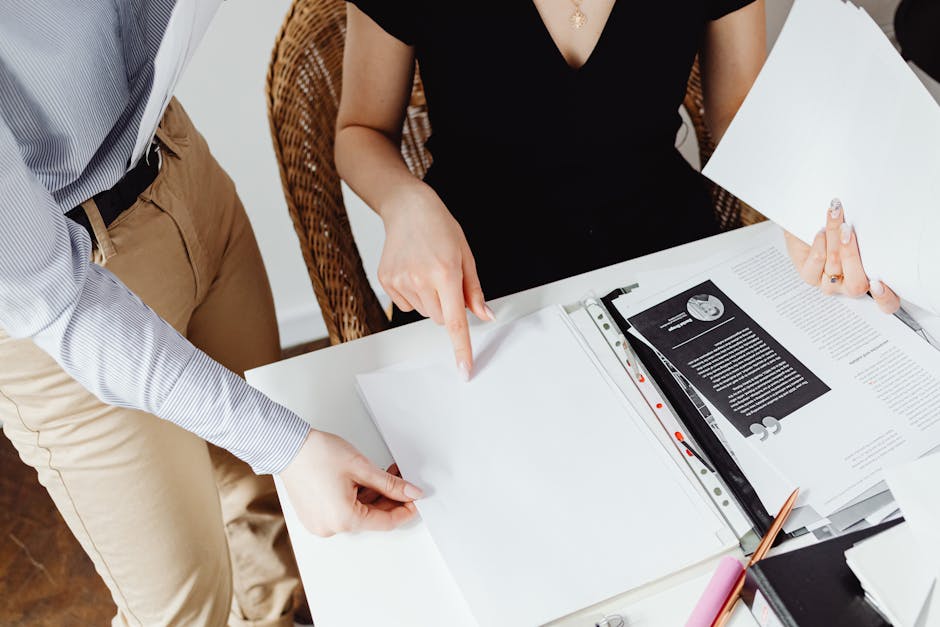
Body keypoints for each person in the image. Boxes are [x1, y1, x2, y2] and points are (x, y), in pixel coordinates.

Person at [0, 2, 421, 626]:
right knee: (183, 611)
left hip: (177, 164)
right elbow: (60, 303)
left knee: (264, 515)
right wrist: (287, 444)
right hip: (62, 300)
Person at [335, 0, 768, 378]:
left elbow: (741, 115)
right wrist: (405, 203)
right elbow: (361, 130)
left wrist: (813, 204)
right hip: (474, 270)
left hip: (663, 254)